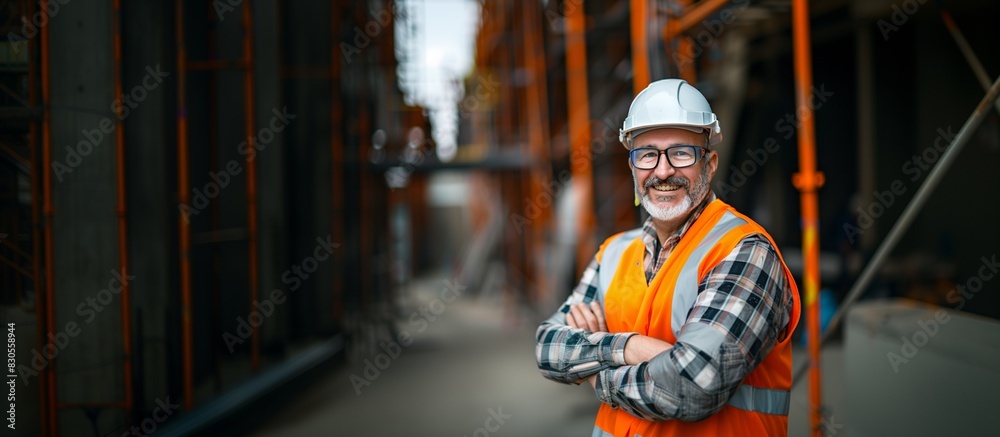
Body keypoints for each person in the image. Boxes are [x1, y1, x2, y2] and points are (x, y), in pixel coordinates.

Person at [535, 79, 801, 436]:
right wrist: (632, 347)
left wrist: (597, 373)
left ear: (710, 163)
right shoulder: (614, 252)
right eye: (647, 154)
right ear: (632, 167)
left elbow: (693, 386)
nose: (662, 172)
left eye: (680, 153)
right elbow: (548, 347)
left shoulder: (744, 250)